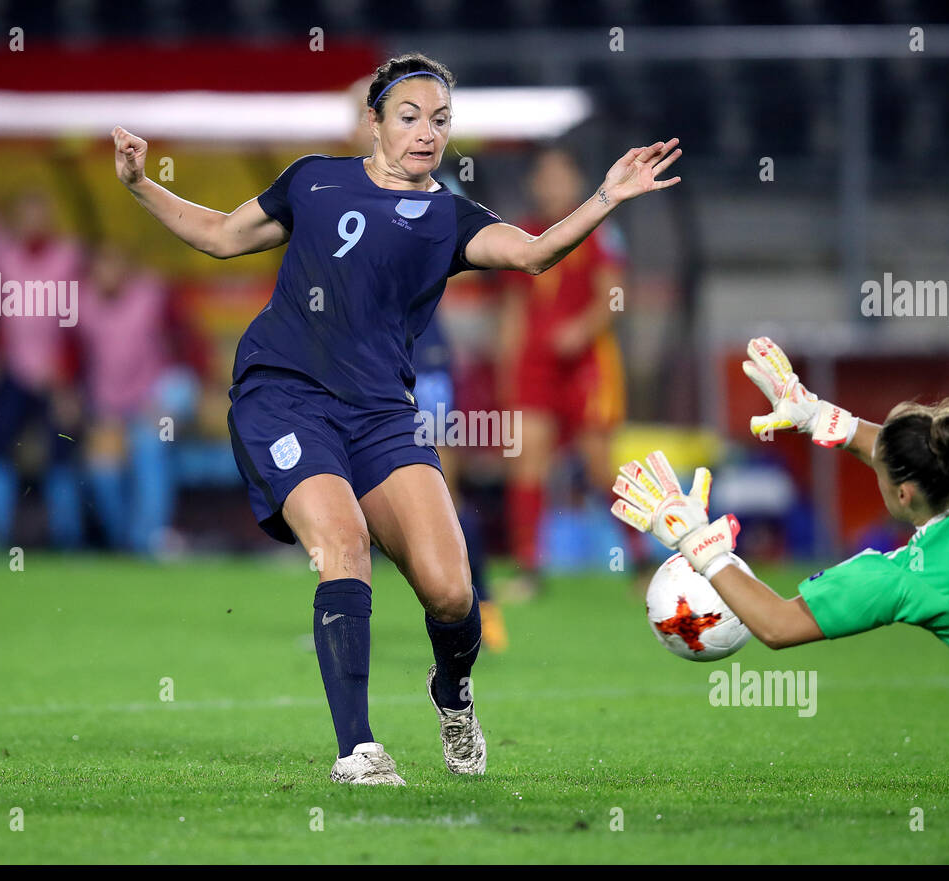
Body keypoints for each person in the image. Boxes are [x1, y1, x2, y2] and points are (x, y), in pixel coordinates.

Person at [115, 52, 681, 785]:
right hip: (284, 395)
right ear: (373, 122)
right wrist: (138, 186)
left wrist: (605, 196)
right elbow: (223, 235)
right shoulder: (314, 180)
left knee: (451, 590)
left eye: (440, 121)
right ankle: (358, 749)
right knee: (343, 543)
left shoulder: (447, 215)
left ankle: (452, 692)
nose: (426, 133)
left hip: (382, 413)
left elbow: (536, 253)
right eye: (409, 116)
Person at [613, 337, 949, 801]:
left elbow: (777, 625)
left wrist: (699, 544)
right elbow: (910, 454)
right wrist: (820, 417)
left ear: (903, 494)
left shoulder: (912, 576)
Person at [345, 77, 508, 652]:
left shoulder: (428, 198)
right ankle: (435, 603)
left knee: (445, 489)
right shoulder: (346, 190)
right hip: (375, 375)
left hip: (424, 365)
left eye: (429, 120)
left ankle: (481, 603)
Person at [499, 145, 645, 596]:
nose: (553, 185)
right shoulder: (520, 235)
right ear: (533, 183)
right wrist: (508, 369)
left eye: (561, 176)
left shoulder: (600, 230)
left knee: (601, 468)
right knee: (527, 464)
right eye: (545, 176)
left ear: (577, 182)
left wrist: (580, 332)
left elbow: (615, 297)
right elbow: (513, 309)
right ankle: (528, 572)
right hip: (534, 366)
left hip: (587, 364)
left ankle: (640, 565)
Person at [75, 243, 206, 555]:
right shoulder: (81, 304)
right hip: (107, 406)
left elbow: (191, 345)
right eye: (102, 266)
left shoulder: (153, 296)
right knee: (102, 468)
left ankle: (152, 538)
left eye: (115, 265)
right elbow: (72, 360)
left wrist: (190, 390)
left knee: (150, 441)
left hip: (156, 394)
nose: (108, 273)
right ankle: (126, 544)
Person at [0, 190, 84, 550]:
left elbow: (76, 325)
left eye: (39, 212)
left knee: (61, 451)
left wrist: (66, 382)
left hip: (56, 375)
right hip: (15, 371)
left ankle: (69, 540)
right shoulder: (3, 257)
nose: (32, 221)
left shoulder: (67, 257)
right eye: (25, 213)